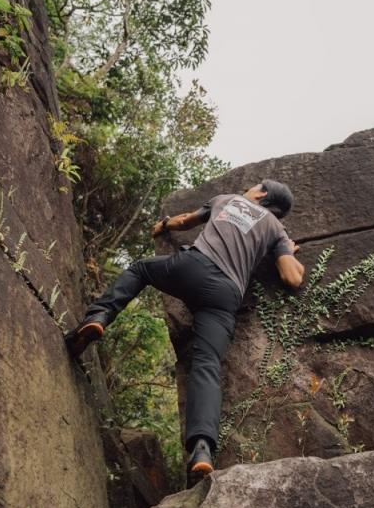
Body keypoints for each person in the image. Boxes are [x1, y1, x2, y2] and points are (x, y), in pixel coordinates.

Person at [68, 180, 305, 479]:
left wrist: (163, 224)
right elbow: (293, 278)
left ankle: (99, 317)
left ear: (260, 193)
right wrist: (287, 252)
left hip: (193, 266)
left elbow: (183, 221)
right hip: (225, 295)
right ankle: (202, 449)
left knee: (141, 269)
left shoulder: (227, 199)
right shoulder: (275, 229)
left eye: (254, 186)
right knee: (207, 365)